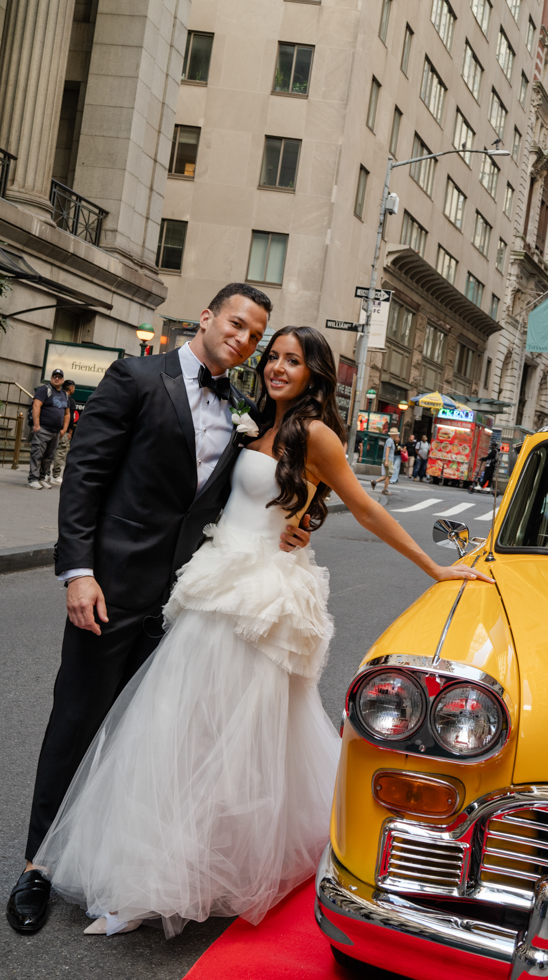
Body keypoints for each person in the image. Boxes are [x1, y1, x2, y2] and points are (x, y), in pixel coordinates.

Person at [29, 327, 493, 938]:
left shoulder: (316, 434)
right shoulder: (252, 418)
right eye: (272, 357)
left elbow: (366, 504)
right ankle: (154, 864)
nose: (276, 367)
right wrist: (295, 517)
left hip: (259, 595)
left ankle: (186, 874)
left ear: (313, 374)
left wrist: (431, 565)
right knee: (180, 732)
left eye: (292, 361)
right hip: (214, 581)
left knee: (228, 740)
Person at [6, 283, 311, 936]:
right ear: (207, 318)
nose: (244, 339)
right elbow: (86, 475)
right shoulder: (136, 377)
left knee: (149, 740)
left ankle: (112, 865)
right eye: (236, 324)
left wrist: (297, 520)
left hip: (181, 602)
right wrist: (79, 571)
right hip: (109, 591)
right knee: (77, 725)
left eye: (255, 335)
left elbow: (254, 487)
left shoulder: (244, 411)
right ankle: (36, 866)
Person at [28, 369, 70, 490]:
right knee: (37, 455)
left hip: (56, 432)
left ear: (62, 380)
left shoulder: (64, 394)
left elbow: (67, 414)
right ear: (51, 378)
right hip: (43, 429)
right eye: (54, 376)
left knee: (48, 457)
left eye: (59, 377)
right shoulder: (44, 390)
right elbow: (36, 405)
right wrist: (36, 425)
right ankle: (33, 479)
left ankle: (41, 479)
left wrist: (64, 429)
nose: (56, 378)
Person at [50, 381, 77, 484]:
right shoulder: (70, 401)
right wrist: (70, 431)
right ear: (71, 389)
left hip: (53, 428)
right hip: (63, 430)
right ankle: (55, 475)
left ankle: (46, 473)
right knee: (60, 452)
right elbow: (71, 418)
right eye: (73, 388)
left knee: (50, 451)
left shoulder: (58, 397)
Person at [370, 427, 399, 494]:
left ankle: (374, 482)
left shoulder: (391, 441)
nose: (397, 435)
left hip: (388, 460)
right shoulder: (390, 440)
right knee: (389, 475)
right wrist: (386, 460)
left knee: (387, 475)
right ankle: (385, 490)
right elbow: (387, 451)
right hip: (388, 460)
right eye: (396, 434)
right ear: (393, 434)